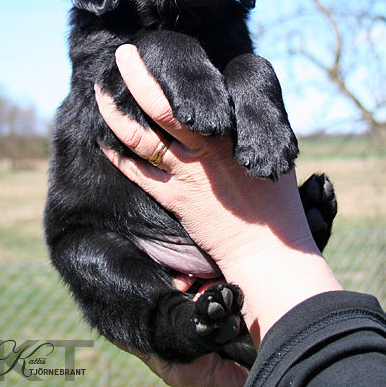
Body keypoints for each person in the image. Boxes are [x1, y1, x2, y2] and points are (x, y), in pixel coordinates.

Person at [95, 44, 386, 387]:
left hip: (249, 326)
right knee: (79, 247)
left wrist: (256, 245)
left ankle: (279, 262)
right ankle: (193, 319)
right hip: (140, 258)